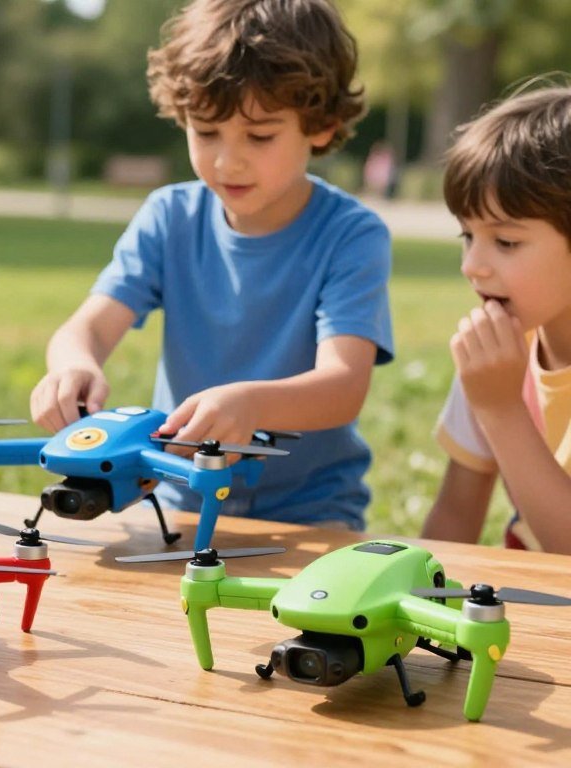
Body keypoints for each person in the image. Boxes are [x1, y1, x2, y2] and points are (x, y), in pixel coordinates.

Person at [30, 0, 393, 531]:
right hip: (178, 497)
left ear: (321, 125)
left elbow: (343, 386)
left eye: (260, 136)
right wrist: (72, 366)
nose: (227, 161)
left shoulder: (351, 235)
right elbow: (89, 327)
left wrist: (251, 404)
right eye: (205, 131)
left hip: (310, 510)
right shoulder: (169, 217)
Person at [422, 86, 571, 554]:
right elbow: (455, 514)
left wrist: (502, 410)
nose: (472, 266)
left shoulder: (496, 380)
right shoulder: (499, 350)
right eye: (468, 236)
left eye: (506, 242)